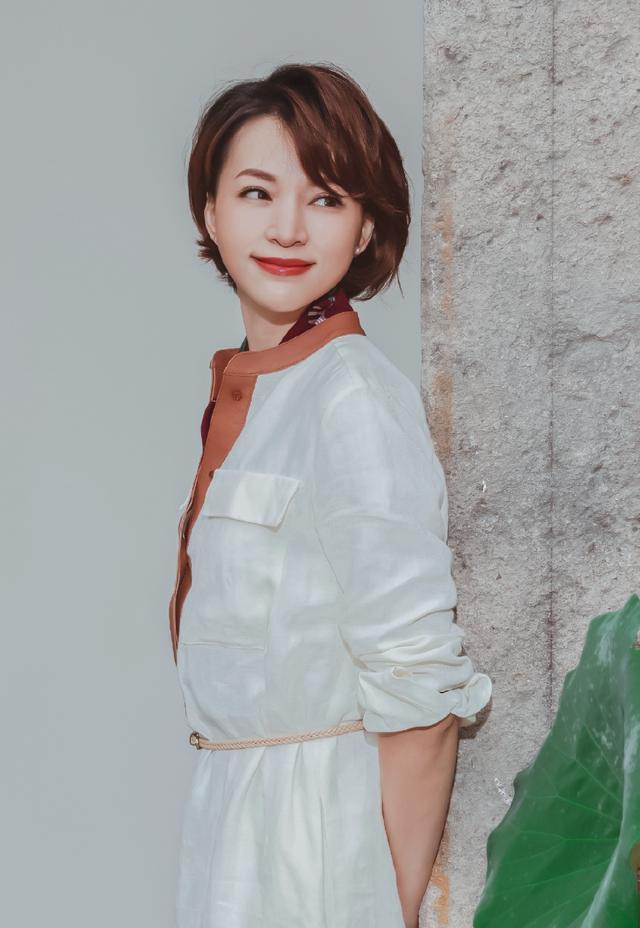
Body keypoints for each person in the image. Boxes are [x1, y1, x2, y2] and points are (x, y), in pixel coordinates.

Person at [168, 62, 493, 928]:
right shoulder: (269, 391)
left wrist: (386, 906)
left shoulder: (352, 398)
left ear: (365, 226)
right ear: (210, 210)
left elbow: (421, 691)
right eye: (257, 192)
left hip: (320, 848)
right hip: (235, 826)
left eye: (325, 198)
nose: (287, 227)